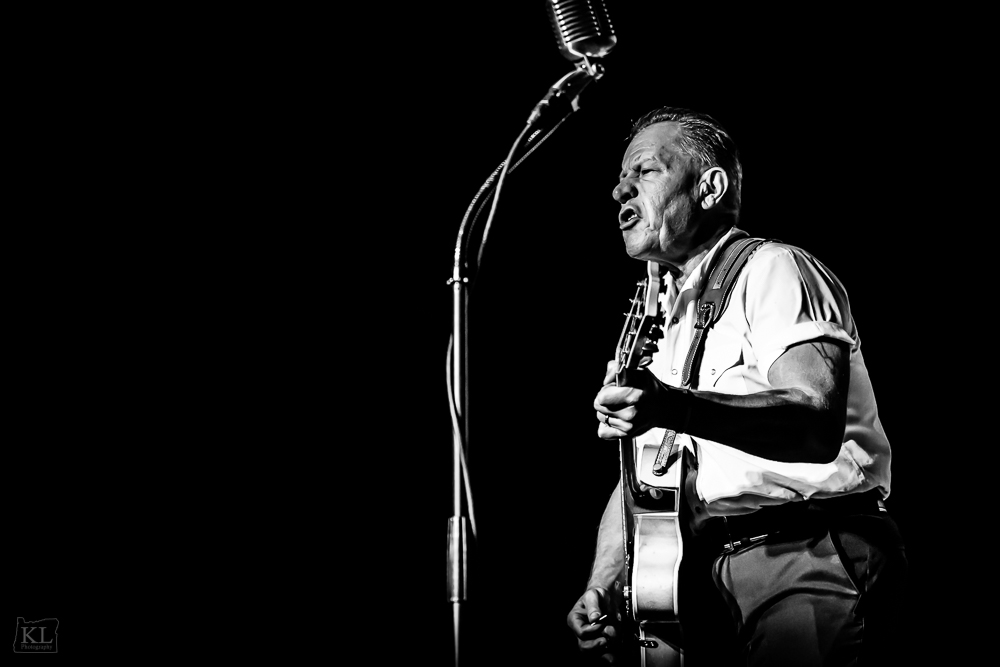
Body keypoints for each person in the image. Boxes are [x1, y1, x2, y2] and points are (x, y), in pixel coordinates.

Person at [566, 107, 907, 666]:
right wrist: (603, 584)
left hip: (807, 555)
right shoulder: (669, 320)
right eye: (621, 177)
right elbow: (642, 480)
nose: (618, 189)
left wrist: (672, 406)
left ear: (710, 186)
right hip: (707, 581)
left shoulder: (773, 269)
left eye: (646, 171)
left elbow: (814, 420)